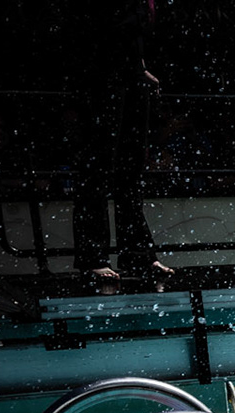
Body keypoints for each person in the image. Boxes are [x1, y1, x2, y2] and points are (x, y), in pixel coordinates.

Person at [71, 0, 172, 285]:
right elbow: (104, 27)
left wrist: (139, 67)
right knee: (98, 167)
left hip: (128, 75)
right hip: (102, 73)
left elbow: (131, 31)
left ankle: (137, 253)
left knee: (131, 169)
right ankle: (93, 256)